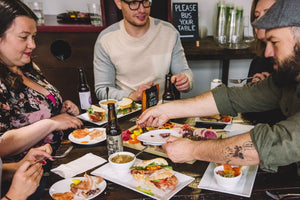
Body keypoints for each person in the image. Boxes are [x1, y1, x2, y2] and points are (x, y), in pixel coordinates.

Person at [138, 0, 300, 173]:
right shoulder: (288, 78)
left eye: (274, 42)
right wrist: (168, 110)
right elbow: (233, 98)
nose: (267, 53)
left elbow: (270, 144)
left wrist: (191, 150)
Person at [0, 0, 82, 198]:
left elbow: (36, 111)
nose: (33, 45)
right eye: (24, 37)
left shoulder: (26, 66)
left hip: (56, 162)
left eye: (34, 36)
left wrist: (61, 110)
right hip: (27, 181)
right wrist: (51, 123)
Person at [93, 0, 193, 101]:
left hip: (161, 108)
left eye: (145, 1)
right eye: (133, 3)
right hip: (126, 110)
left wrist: (186, 80)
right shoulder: (106, 39)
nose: (142, 10)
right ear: (119, 3)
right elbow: (102, 90)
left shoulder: (169, 32)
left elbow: (183, 71)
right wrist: (132, 95)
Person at [241, 0, 286, 125]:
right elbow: (249, 115)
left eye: (267, 14)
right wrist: (253, 94)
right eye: (256, 16)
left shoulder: (291, 63)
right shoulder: (259, 61)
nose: (258, 22)